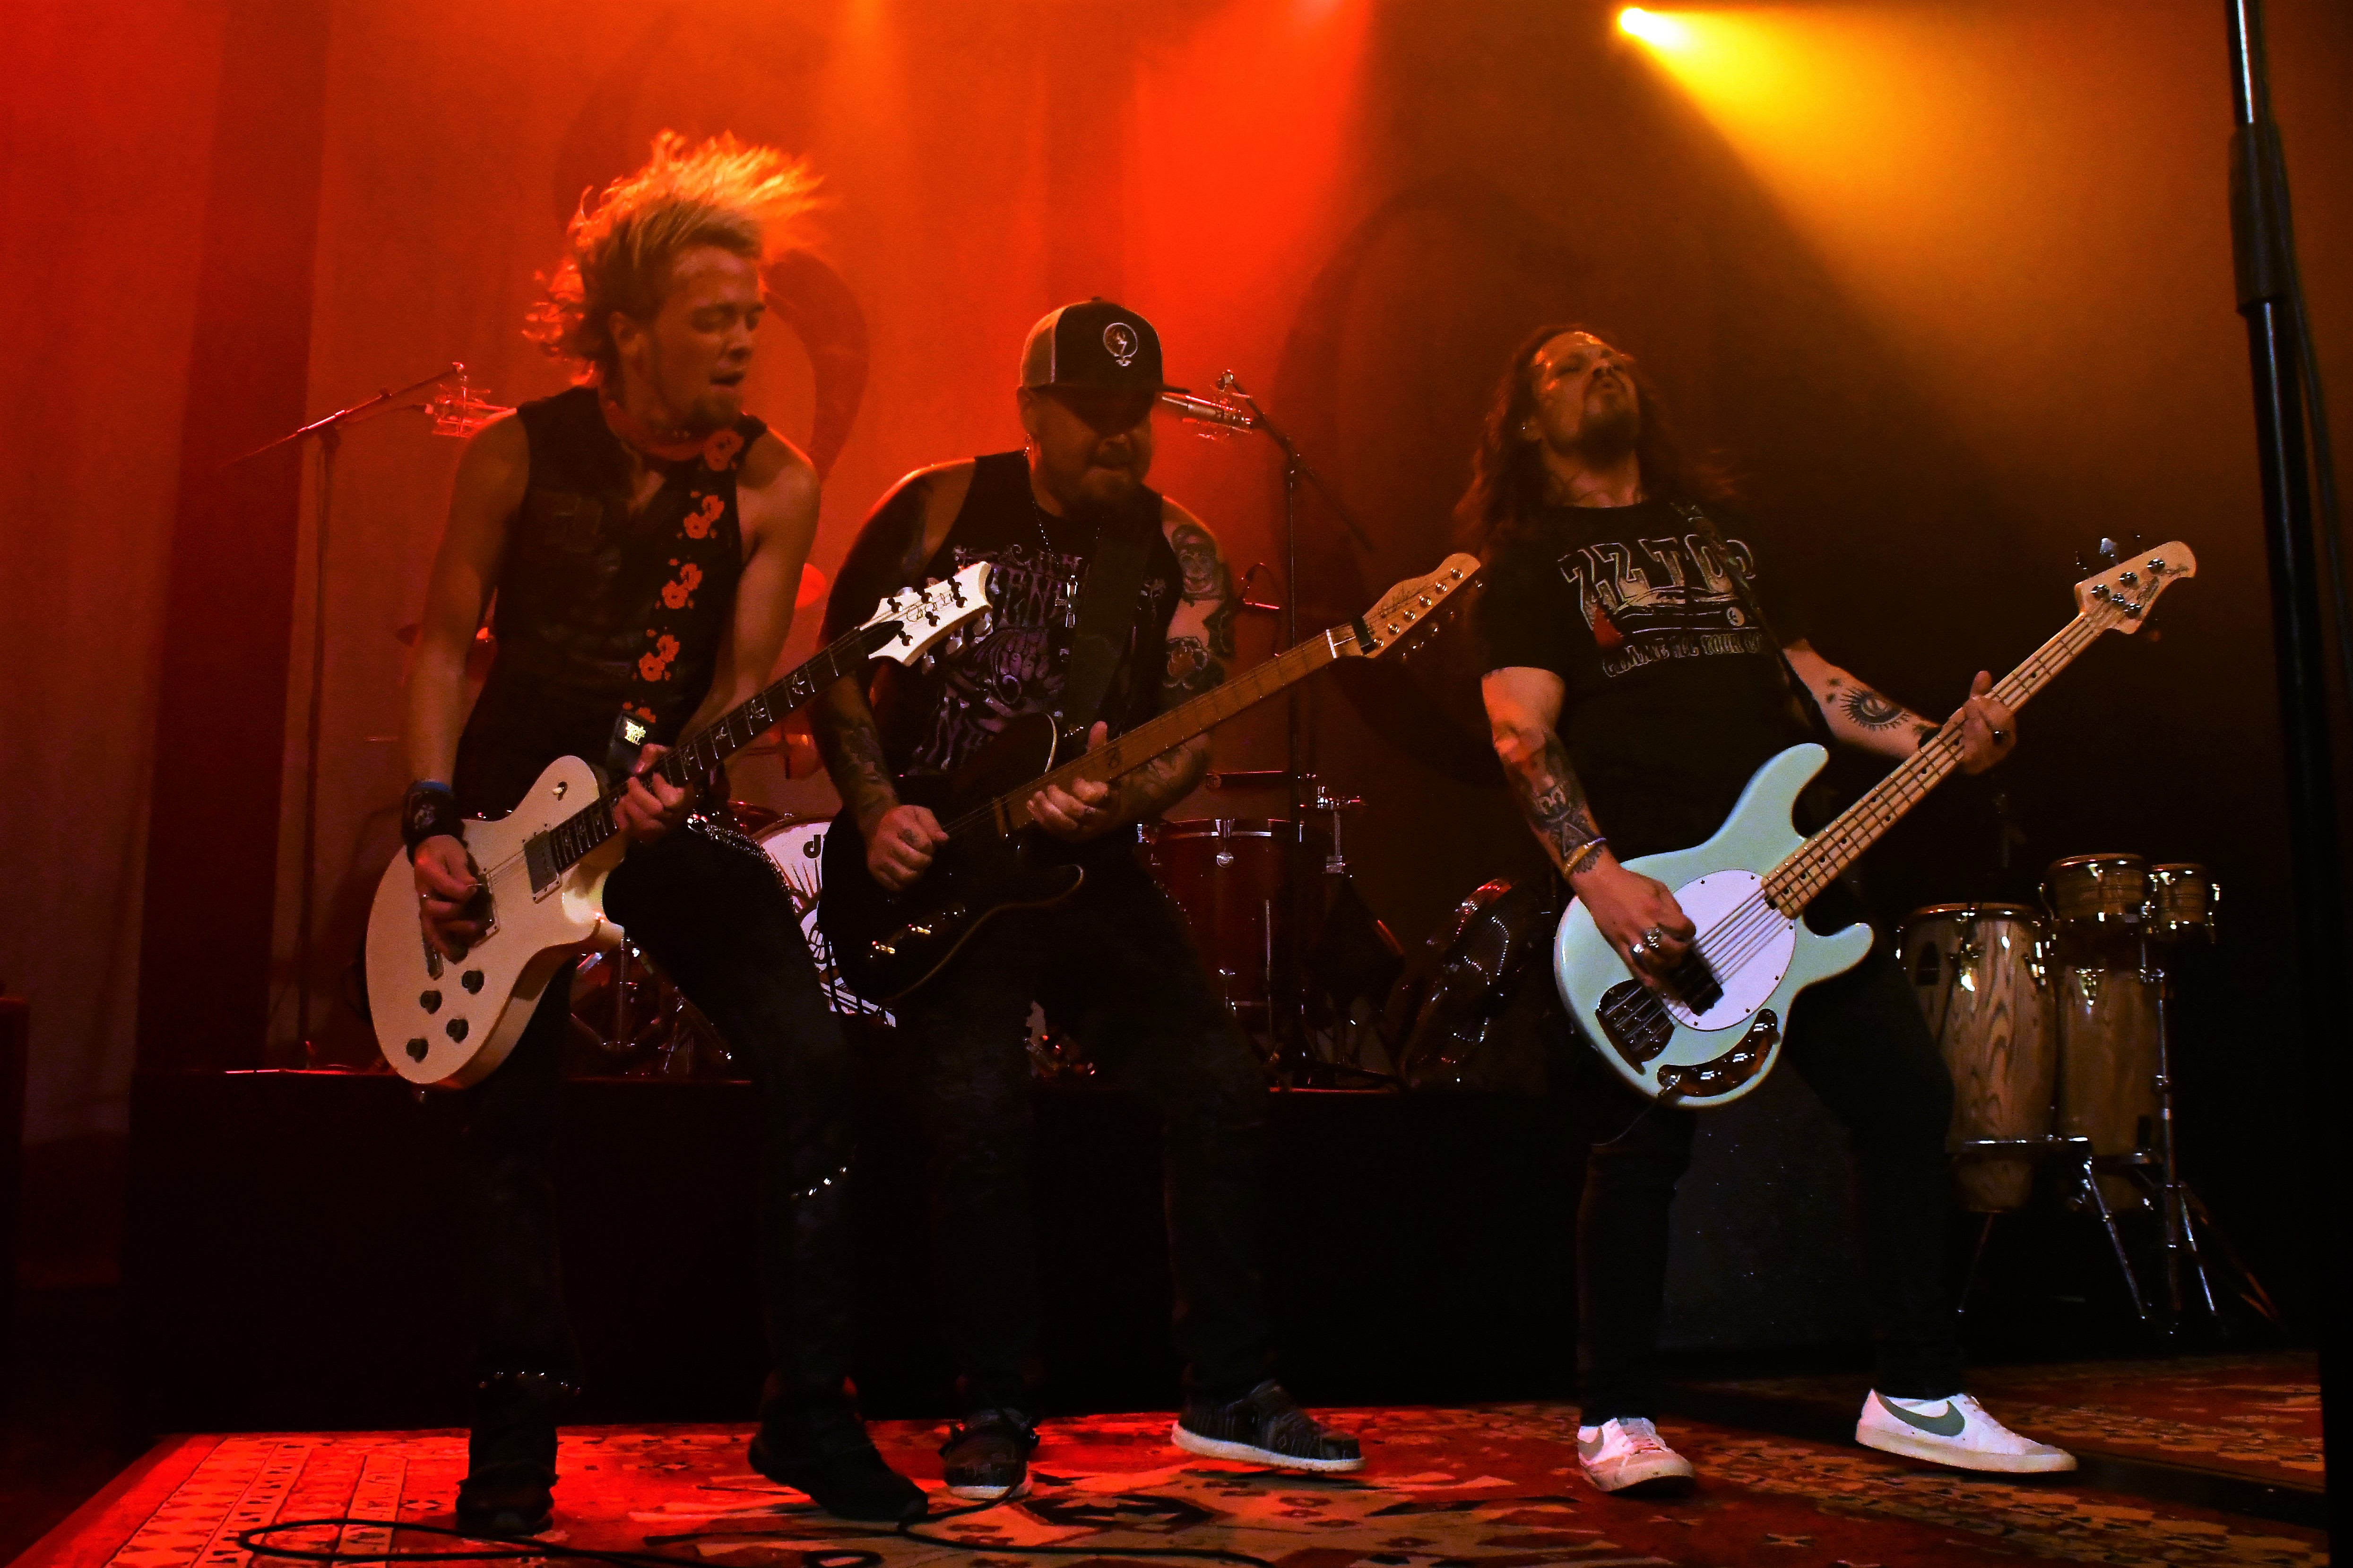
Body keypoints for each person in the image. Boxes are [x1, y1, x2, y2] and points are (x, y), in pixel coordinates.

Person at [401, 132, 924, 1533]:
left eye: (752, 316)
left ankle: (810, 1410)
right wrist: (429, 819)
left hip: (656, 801)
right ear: (625, 331)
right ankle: (514, 1428)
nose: (745, 341)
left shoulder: (771, 482)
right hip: (507, 815)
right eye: (711, 319)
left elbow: (740, 688)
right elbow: (443, 645)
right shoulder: (516, 453)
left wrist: (677, 783)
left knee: (814, 1059)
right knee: (509, 1119)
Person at [1467, 325, 2075, 1494]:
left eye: (1612, 356)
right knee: (1639, 1151)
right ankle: (1614, 1417)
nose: (1602, 369)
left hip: (1795, 872)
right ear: (1527, 424)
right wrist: (1596, 874)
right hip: (1648, 887)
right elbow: (1517, 732)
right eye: (1566, 367)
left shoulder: (1720, 535)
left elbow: (1812, 681)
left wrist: (1938, 739)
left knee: (1906, 1099)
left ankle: (1917, 1394)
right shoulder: (1528, 563)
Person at [811, 299, 1361, 1502]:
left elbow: (1187, 733)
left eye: (1135, 416)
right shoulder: (940, 507)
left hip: (1087, 866)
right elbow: (832, 675)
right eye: (1092, 413)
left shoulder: (1179, 553)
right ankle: (993, 1403)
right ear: (1031, 410)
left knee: (1219, 1086)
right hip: (942, 868)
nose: (1118, 436)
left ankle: (1228, 1389)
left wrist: (1111, 799)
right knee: (977, 1108)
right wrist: (876, 813)